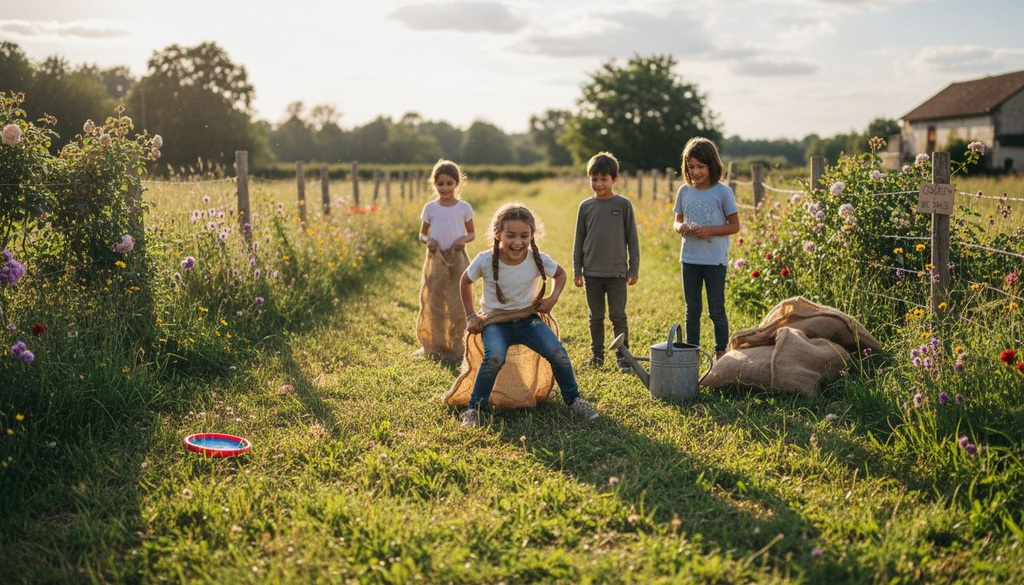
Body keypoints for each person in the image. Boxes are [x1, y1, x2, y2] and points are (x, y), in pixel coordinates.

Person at [459, 202, 600, 427]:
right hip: (496, 323)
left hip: (528, 320)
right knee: (494, 357)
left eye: (524, 235)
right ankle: (474, 409)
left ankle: (574, 401)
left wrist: (552, 299)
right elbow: (465, 281)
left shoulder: (537, 259)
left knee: (558, 352)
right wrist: (470, 315)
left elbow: (561, 274)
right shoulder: (485, 260)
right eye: (511, 235)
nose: (517, 242)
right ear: (498, 234)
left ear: (532, 235)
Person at [672, 137, 740, 359]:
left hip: (714, 261)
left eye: (701, 166)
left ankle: (721, 352)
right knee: (692, 310)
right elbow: (676, 221)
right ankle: (692, 352)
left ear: (712, 165)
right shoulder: (684, 191)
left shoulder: (723, 192)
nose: (696, 172)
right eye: (691, 167)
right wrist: (680, 227)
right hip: (689, 259)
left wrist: (710, 230)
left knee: (716, 310)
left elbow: (735, 226)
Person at [572, 151, 640, 372]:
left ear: (615, 179)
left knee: (618, 315)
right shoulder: (585, 207)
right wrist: (577, 269)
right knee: (596, 316)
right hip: (591, 272)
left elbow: (632, 239)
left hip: (617, 272)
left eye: (603, 179)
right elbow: (579, 240)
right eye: (594, 179)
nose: (598, 183)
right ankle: (597, 355)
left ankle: (623, 357)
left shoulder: (623, 205)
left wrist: (633, 268)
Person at [416, 159, 475, 360]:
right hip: (436, 257)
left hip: (457, 256)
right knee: (435, 299)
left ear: (457, 183)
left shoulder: (464, 207)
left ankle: (457, 345)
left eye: (449, 183)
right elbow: (422, 234)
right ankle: (435, 344)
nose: (445, 188)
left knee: (457, 299)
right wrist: (428, 239)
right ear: (434, 184)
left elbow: (472, 233)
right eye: (440, 184)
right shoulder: (430, 208)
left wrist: (462, 240)